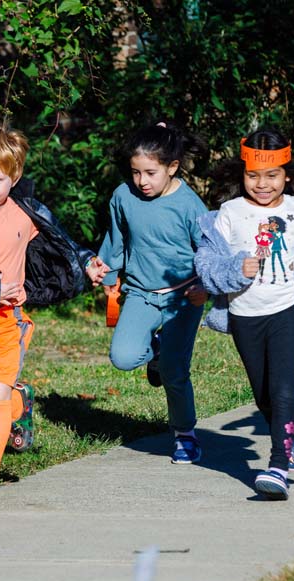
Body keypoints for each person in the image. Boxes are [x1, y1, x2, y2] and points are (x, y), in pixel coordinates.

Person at [0, 126, 101, 509]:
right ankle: (20, 402)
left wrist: (87, 262)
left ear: (15, 176)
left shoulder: (27, 212)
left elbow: (64, 241)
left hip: (8, 320)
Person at [194, 129, 294, 500]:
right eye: (254, 175)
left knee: (282, 388)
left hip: (288, 311)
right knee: (262, 393)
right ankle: (287, 435)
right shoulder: (227, 215)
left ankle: (277, 464)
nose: (262, 184)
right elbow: (206, 264)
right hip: (245, 315)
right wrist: (233, 271)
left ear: (286, 174)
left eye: (272, 175)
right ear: (242, 172)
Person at [92, 122, 209, 464]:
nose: (141, 181)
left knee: (174, 371)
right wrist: (109, 274)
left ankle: (184, 433)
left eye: (150, 172)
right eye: (135, 172)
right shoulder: (123, 197)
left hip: (183, 297)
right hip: (141, 292)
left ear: (173, 167)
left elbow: (210, 250)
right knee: (123, 357)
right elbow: (115, 240)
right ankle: (154, 349)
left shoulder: (189, 205)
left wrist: (206, 284)